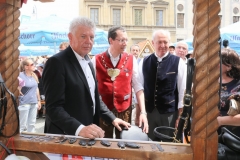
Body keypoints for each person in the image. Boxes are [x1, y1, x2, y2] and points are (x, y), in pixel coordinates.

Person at [42, 17, 130, 139]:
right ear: (70, 37)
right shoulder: (56, 62)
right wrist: (79, 129)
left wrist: (113, 118)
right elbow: (53, 108)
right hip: (64, 138)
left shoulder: (88, 61)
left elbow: (94, 98)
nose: (88, 41)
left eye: (92, 37)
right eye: (83, 36)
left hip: (87, 135)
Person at [91, 26, 148, 139]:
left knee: (123, 141)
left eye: (126, 40)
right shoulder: (96, 60)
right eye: (122, 40)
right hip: (104, 110)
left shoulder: (131, 59)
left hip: (124, 109)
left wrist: (143, 112)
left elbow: (138, 87)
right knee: (103, 141)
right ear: (111, 40)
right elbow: (91, 87)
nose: (125, 43)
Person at [138, 29, 187, 141]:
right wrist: (139, 113)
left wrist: (180, 116)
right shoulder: (144, 61)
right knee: (149, 147)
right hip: (149, 113)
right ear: (153, 43)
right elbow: (139, 89)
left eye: (165, 42)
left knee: (170, 147)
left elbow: (182, 91)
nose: (163, 45)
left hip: (169, 113)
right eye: (159, 42)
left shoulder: (178, 62)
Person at [217, 48, 240, 137]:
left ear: (229, 66)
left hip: (232, 137)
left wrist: (220, 121)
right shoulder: (211, 82)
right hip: (210, 135)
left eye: (218, 61)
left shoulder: (238, 85)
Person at [18, 58, 41, 133]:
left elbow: (36, 88)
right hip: (24, 102)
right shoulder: (20, 75)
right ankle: (20, 140)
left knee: (32, 123)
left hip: (33, 102)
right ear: (26, 67)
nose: (34, 66)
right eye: (32, 64)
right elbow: (16, 86)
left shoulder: (34, 75)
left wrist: (39, 100)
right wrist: (18, 90)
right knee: (22, 124)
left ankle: (31, 139)